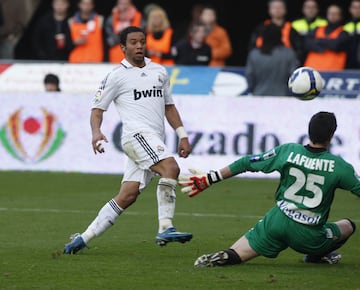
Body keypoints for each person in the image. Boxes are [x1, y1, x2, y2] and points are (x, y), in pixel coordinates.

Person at [63, 26, 193, 254]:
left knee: (128, 194)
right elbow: (97, 109)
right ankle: (165, 227)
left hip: (153, 138)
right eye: (133, 42)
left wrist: (182, 135)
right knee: (170, 168)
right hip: (136, 136)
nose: (139, 45)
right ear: (123, 47)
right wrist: (96, 132)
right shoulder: (116, 76)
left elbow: (169, 107)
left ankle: (83, 238)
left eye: (142, 41)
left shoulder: (159, 71)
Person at [178, 111, 358, 267]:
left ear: (309, 131)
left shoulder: (288, 150)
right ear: (331, 135)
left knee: (237, 253)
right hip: (309, 235)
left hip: (277, 221)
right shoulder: (339, 166)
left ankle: (225, 256)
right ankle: (315, 256)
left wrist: (209, 179)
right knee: (348, 226)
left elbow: (246, 162)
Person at [245, 23, 299, 96]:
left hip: (259, 95)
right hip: (284, 97)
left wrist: (254, 89)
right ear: (280, 36)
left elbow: (250, 75)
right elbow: (294, 76)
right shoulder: (289, 53)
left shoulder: (254, 54)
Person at [249, 0, 303, 65]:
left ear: (285, 10)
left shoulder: (291, 30)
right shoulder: (261, 29)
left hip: (284, 66)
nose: (277, 10)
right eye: (274, 7)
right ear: (269, 10)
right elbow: (252, 49)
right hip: (264, 65)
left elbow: (299, 51)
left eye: (280, 7)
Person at [303, 4, 350, 71]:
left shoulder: (344, 33)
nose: (332, 15)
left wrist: (318, 41)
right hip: (312, 71)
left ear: (340, 16)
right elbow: (306, 44)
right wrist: (328, 42)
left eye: (335, 13)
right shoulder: (317, 29)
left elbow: (336, 45)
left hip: (333, 73)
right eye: (330, 13)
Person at [291, 0, 327, 64]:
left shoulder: (324, 23)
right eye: (308, 7)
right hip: (299, 59)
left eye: (313, 7)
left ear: (317, 10)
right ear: (303, 9)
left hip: (319, 58)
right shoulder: (295, 24)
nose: (311, 10)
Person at [344, 0, 360, 69]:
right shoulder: (345, 26)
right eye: (354, 7)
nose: (357, 10)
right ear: (350, 9)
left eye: (359, 7)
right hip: (348, 63)